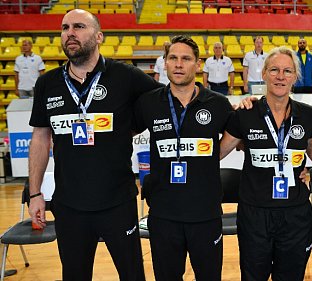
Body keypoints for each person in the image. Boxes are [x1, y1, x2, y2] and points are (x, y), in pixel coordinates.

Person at [28, 9, 162, 281]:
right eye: (65, 28)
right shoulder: (47, 84)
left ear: (99, 36)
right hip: (69, 203)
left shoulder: (126, 76)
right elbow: (41, 138)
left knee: (132, 274)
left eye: (78, 27)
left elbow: (164, 102)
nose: (70, 33)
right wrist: (34, 194)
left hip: (117, 201)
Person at [134, 35, 232, 281]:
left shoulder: (218, 104)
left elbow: (243, 138)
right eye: (173, 58)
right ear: (164, 63)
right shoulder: (148, 103)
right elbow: (121, 135)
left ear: (198, 65)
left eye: (186, 59)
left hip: (205, 214)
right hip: (164, 214)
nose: (178, 64)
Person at [220, 46, 312, 281]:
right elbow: (218, 153)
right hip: (255, 214)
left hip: (295, 214)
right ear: (263, 73)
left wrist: (310, 174)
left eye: (287, 71)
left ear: (296, 76)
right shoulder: (245, 113)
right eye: (274, 70)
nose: (281, 76)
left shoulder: (308, 115)